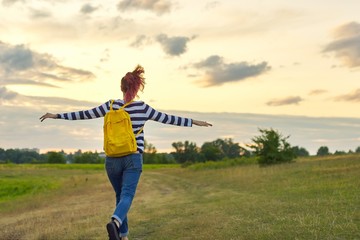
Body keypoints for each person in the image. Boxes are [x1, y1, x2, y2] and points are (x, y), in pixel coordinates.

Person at [39, 65, 212, 240]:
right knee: (127, 195)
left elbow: (85, 114)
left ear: (121, 88)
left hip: (112, 159)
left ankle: (123, 235)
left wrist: (57, 115)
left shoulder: (110, 105)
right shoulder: (143, 108)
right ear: (137, 88)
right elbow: (169, 119)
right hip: (133, 158)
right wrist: (195, 122)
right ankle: (115, 222)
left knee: (120, 196)